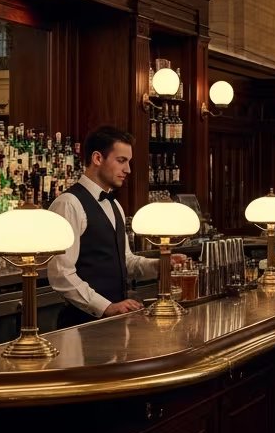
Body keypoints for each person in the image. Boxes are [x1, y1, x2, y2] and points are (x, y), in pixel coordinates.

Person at [48, 126, 182, 328]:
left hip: (114, 321)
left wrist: (161, 264)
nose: (128, 169)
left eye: (128, 162)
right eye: (121, 161)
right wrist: (106, 306)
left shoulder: (114, 204)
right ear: (97, 159)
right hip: (81, 324)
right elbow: (61, 274)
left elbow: (125, 261)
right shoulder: (69, 204)